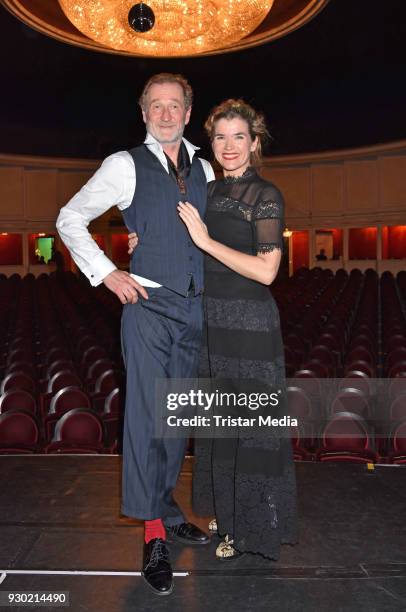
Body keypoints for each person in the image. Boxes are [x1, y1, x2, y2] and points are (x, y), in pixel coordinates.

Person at [56, 73, 215, 596]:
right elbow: (70, 218)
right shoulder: (123, 165)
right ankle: (153, 536)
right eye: (156, 105)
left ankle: (167, 511)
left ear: (188, 113)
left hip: (195, 311)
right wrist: (108, 272)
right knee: (148, 421)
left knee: (177, 422)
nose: (166, 114)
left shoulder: (207, 168)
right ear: (143, 112)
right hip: (146, 306)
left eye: (175, 105)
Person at [130, 99, 298, 561]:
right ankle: (227, 513)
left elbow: (267, 271)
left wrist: (205, 240)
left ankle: (252, 532)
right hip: (211, 325)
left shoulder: (266, 194)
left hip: (250, 326)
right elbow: (177, 229)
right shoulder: (208, 189)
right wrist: (143, 239)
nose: (228, 145)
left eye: (238, 136)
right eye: (220, 136)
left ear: (254, 142)